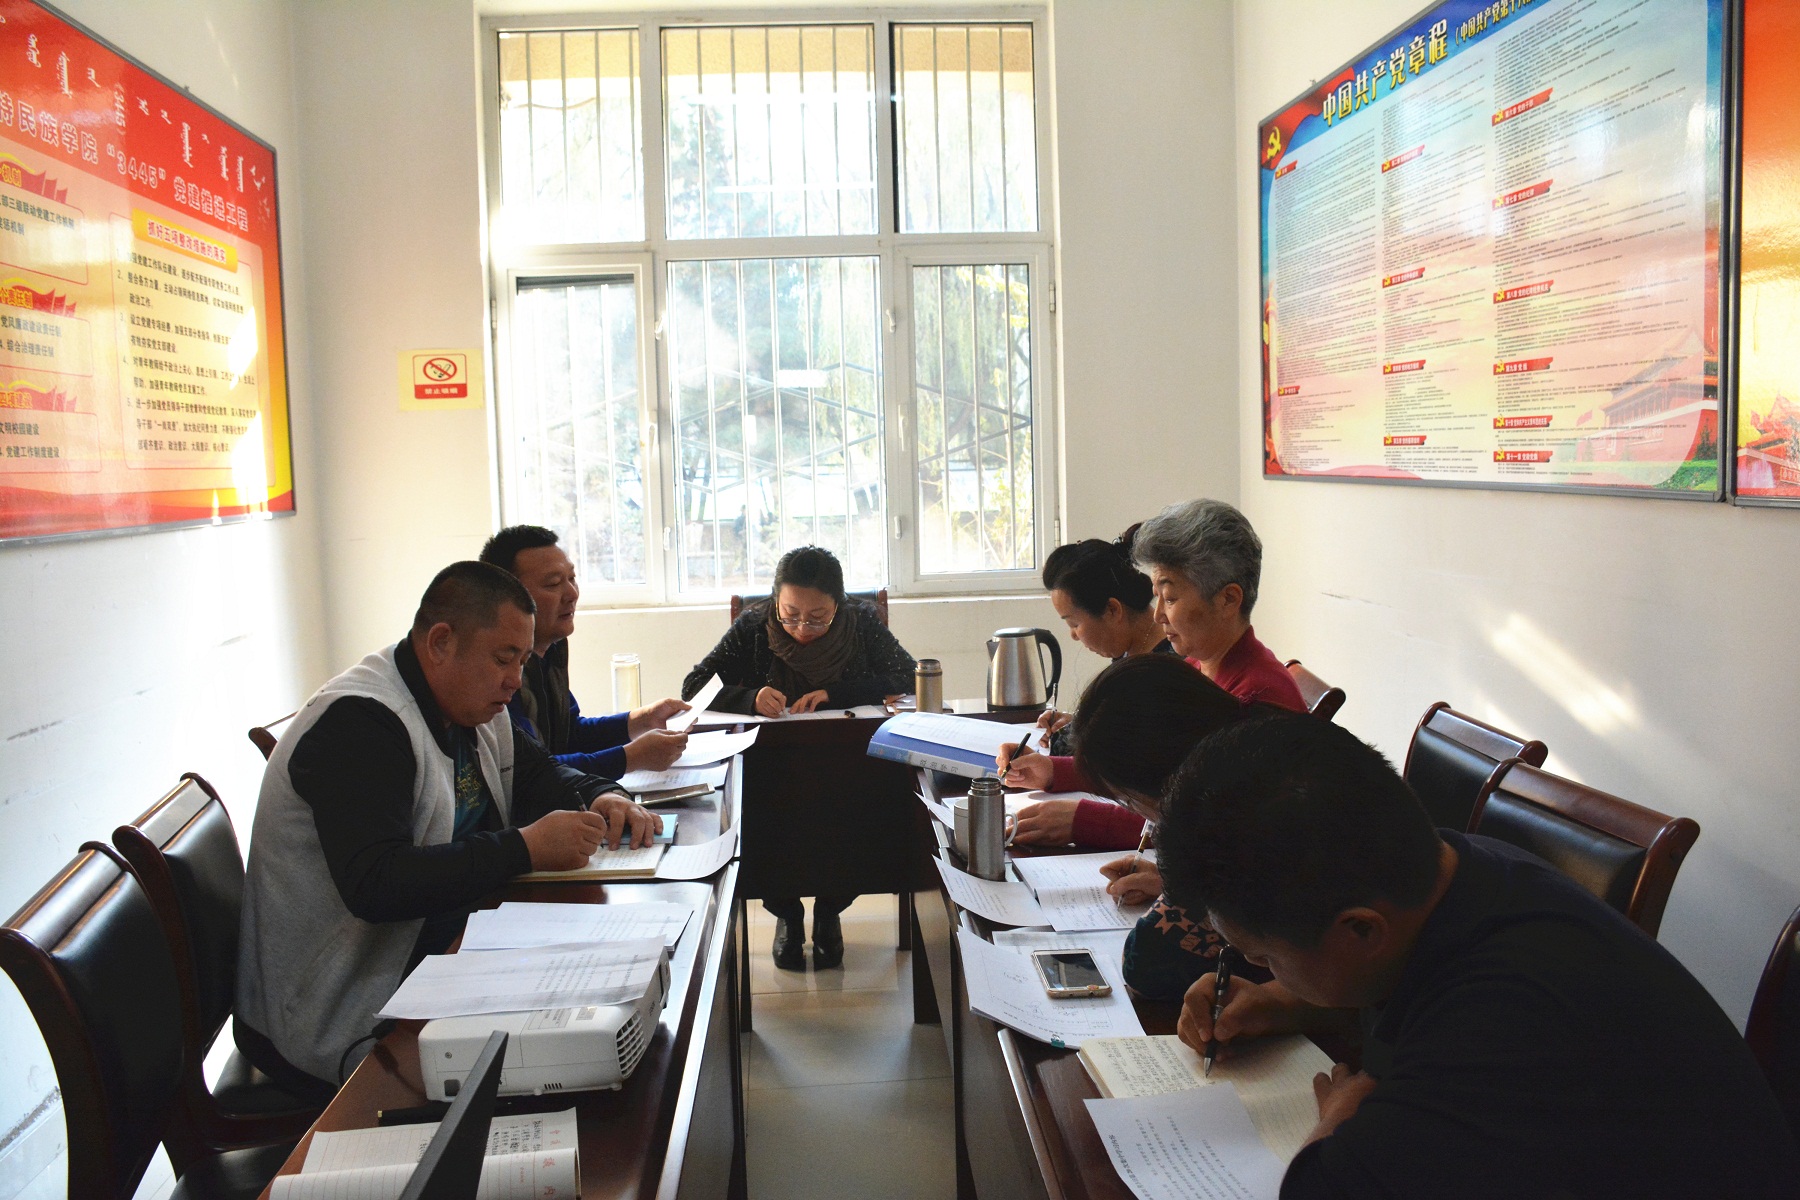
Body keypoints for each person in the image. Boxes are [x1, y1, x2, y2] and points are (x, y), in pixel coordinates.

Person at [1160, 714, 1799, 1196]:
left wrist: (1342, 1117)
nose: (1262, 971)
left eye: (1264, 957)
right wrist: (1286, 1002)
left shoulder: (1504, 1019)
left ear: (1359, 930)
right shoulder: (1453, 865)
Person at [237, 562, 660, 1101]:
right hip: (335, 1004)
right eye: (503, 659)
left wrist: (602, 795)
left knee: (604, 1017)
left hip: (434, 950)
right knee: (573, 1072)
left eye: (522, 661)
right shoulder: (361, 723)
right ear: (440, 642)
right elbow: (376, 883)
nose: (515, 680)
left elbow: (537, 773)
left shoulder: (471, 702)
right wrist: (524, 848)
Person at [1006, 498, 1303, 846]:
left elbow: (1215, 827)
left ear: (1228, 600)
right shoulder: (1197, 667)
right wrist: (1055, 771)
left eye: (1171, 598)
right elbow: (1160, 777)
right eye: (1156, 596)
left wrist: (1083, 820)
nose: (1159, 615)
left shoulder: (1257, 701)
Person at [682, 546, 916, 970]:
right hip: (772, 765)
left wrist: (837, 694)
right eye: (790, 614)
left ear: (838, 605)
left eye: (817, 617)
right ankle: (787, 913)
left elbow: (908, 676)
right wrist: (749, 697)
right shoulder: (754, 627)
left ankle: (829, 909)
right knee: (766, 814)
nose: (802, 627)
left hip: (846, 761)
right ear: (775, 601)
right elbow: (694, 686)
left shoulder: (861, 623)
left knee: (860, 808)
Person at [1057, 655, 1271, 999]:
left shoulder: (1232, 826)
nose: (1136, 813)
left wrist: (1182, 886)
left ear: (1167, 783)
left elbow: (1146, 963)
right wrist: (1166, 881)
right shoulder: (1258, 741)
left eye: (1128, 800)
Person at [480, 525, 690, 777]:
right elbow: (530, 770)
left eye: (572, 578)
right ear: (510, 597)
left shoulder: (551, 649)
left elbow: (570, 733)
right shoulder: (496, 673)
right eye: (553, 584)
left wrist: (641, 720)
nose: (572, 594)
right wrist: (629, 758)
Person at [996, 525, 1174, 806]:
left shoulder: (1162, 672)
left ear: (1113, 610)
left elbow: (1128, 763)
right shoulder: (1131, 657)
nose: (1073, 635)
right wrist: (1079, 724)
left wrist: (1082, 733)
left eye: (1074, 623)